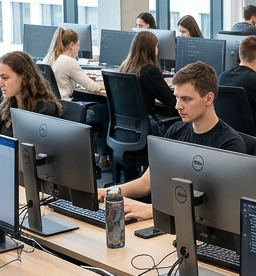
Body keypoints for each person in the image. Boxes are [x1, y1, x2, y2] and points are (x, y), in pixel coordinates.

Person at [98, 62, 246, 221]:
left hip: (201, 228)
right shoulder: (176, 131)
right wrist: (108, 192)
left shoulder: (230, 144)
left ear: (209, 98)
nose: (177, 106)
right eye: (176, 97)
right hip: (170, 219)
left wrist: (155, 211)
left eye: (186, 99)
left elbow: (217, 206)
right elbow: (147, 182)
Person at [0, 51, 62, 137]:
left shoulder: (45, 108)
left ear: (24, 77)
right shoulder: (7, 102)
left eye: (5, 78)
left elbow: (28, 146)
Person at [118, 30, 175, 112]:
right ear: (150, 50)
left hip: (124, 122)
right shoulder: (151, 71)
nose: (157, 50)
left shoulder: (124, 67)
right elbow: (170, 101)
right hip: (147, 122)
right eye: (156, 47)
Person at [47, 27, 104, 101]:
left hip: (52, 103)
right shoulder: (69, 61)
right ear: (71, 45)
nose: (78, 48)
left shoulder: (49, 58)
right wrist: (103, 86)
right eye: (78, 45)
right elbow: (92, 87)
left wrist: (80, 80)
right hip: (65, 104)